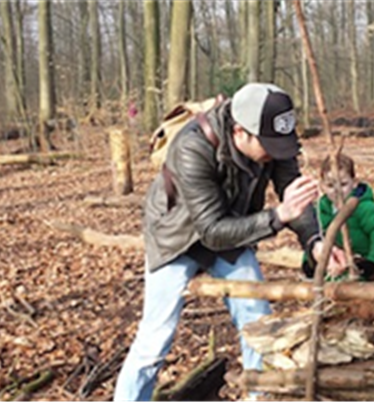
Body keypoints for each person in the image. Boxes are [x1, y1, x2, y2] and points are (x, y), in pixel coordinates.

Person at [113, 83, 346, 401]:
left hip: (233, 227)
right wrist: (278, 216)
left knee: (259, 326)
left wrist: (315, 241)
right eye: (268, 146)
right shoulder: (193, 147)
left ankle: (259, 397)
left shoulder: (273, 142)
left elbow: (294, 194)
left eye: (281, 146)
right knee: (155, 339)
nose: (275, 154)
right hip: (176, 236)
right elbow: (211, 230)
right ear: (239, 132)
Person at [301, 153, 374, 281]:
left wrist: (372, 261)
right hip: (334, 268)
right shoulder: (322, 209)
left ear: (354, 183)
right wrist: (309, 260)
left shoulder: (364, 207)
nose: (337, 190)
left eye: (343, 184)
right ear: (322, 185)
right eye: (330, 185)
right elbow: (316, 237)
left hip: (361, 267)